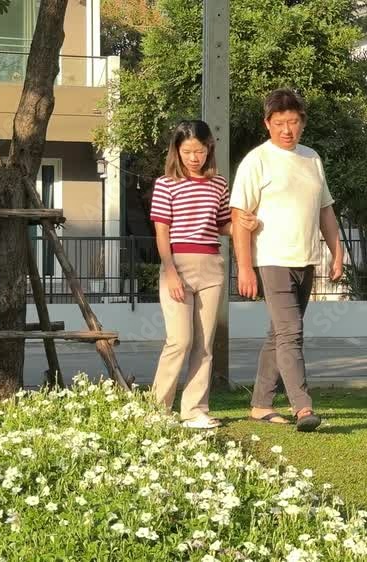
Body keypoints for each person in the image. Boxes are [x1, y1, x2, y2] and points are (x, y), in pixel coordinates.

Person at [231, 88, 344, 432]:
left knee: (279, 335)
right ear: (267, 123)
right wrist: (245, 267)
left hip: (306, 260)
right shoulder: (257, 161)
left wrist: (337, 252)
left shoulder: (311, 158)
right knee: (291, 333)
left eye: (293, 122)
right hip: (272, 260)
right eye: (279, 122)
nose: (286, 129)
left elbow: (325, 211)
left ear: (302, 123)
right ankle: (302, 407)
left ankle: (261, 404)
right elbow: (239, 217)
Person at [149, 119, 257, 429]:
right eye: (187, 151)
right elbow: (161, 232)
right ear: (177, 151)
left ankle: (194, 411)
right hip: (177, 265)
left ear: (209, 149)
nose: (194, 157)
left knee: (205, 344)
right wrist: (170, 272)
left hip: (212, 265)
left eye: (199, 151)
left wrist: (244, 225)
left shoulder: (218, 183)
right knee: (179, 341)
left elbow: (222, 225)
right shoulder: (165, 184)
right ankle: (156, 411)